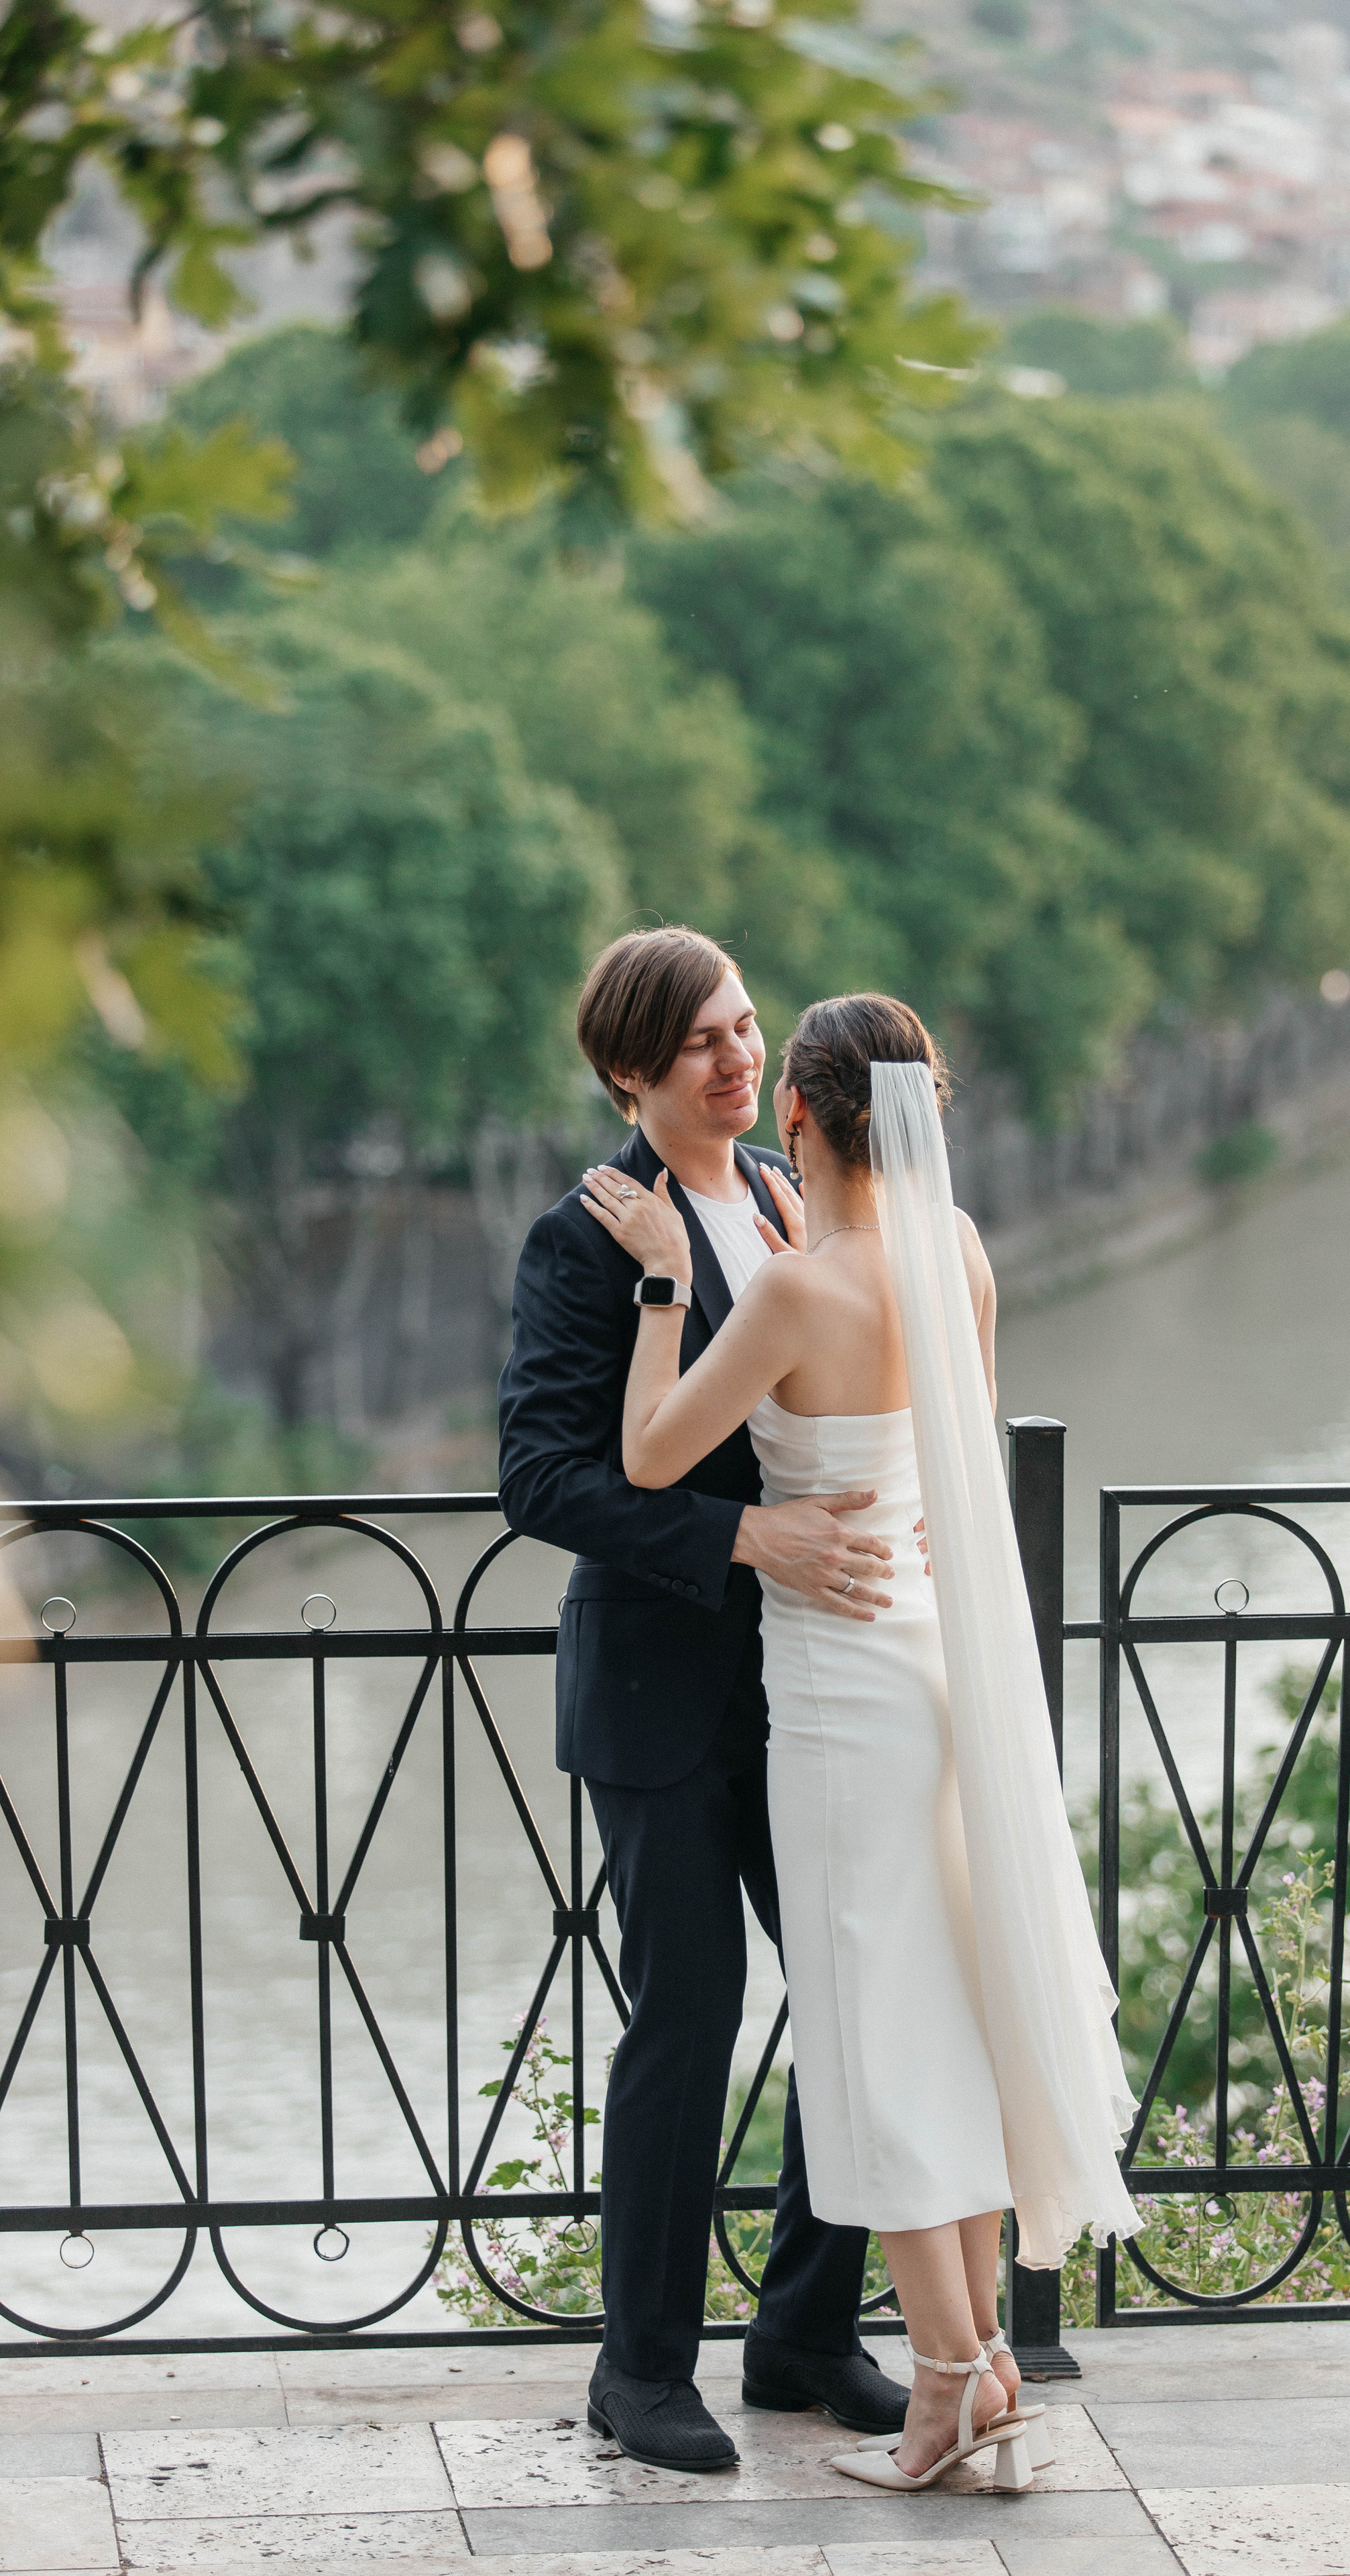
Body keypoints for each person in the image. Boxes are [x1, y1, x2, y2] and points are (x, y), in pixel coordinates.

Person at [577, 991, 1138, 2494]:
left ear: (802, 1118)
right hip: (944, 1664)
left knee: (869, 2043)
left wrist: (653, 1288)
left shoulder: (792, 1291)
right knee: (937, 2019)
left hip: (835, 1701)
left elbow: (644, 1457)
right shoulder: (954, 1255)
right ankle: (986, 2367)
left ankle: (952, 2378)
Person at [498, 928, 913, 2473]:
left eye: (746, 1032)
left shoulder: (792, 1204)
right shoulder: (586, 1236)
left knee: (856, 1989)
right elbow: (538, 1479)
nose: (741, 1061)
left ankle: (803, 2331)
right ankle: (637, 2370)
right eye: (701, 1046)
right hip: (662, 1687)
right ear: (628, 1072)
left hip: (807, 1681)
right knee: (692, 2013)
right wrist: (739, 1532)